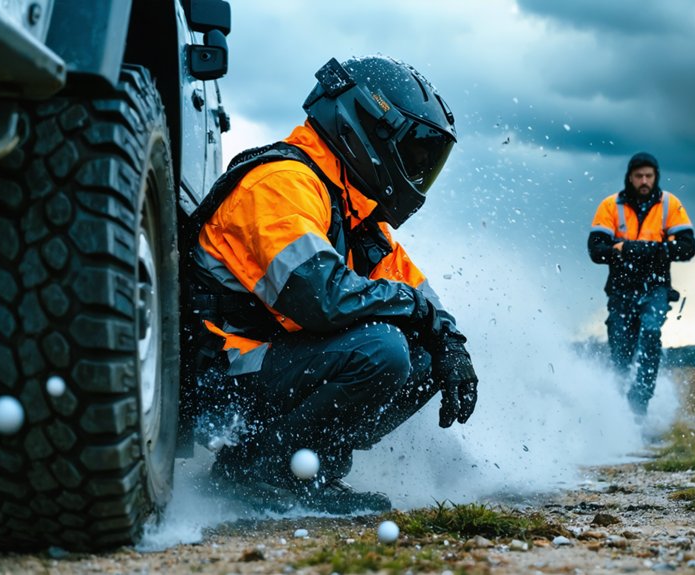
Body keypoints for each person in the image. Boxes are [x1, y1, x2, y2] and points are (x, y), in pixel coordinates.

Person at [183, 55, 478, 514]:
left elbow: (420, 296)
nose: (418, 173)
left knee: (427, 354)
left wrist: (451, 342)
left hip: (269, 363)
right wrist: (413, 308)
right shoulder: (282, 183)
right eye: (416, 155)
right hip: (221, 371)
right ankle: (257, 471)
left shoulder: (351, 207)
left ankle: (307, 472)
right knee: (383, 349)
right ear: (368, 124)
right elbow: (319, 296)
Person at [587, 152, 695, 418]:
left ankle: (639, 408)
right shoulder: (610, 206)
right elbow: (595, 249)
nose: (644, 181)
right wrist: (623, 251)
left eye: (649, 175)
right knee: (621, 351)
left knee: (650, 336)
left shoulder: (670, 205)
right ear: (630, 177)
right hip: (621, 290)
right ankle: (616, 410)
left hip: (656, 288)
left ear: (656, 176)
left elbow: (688, 247)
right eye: (639, 176)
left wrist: (635, 249)